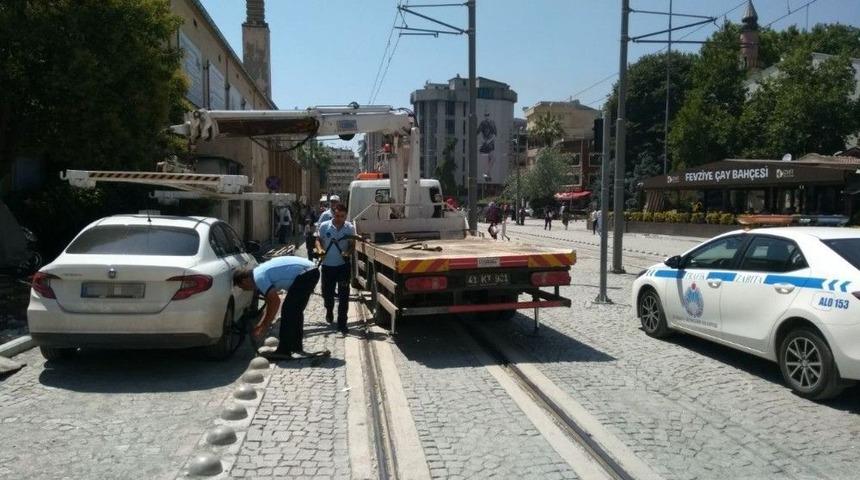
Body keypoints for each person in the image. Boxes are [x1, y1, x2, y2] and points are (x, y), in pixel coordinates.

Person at [234, 256, 321, 360]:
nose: (244, 290)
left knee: (288, 311)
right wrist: (262, 323)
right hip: (310, 271)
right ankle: (296, 347)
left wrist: (264, 325)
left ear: (244, 280)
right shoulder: (259, 271)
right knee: (295, 312)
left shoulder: (259, 278)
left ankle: (284, 351)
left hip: (305, 274)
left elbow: (275, 301)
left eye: (242, 287)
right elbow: (270, 302)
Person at [316, 203, 355, 335]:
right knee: (328, 294)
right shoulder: (324, 226)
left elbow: (352, 244)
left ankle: (342, 323)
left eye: (342, 216)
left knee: (344, 296)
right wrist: (320, 249)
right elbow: (318, 240)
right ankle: (329, 309)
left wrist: (348, 252)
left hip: (343, 267)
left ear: (345, 216)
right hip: (327, 266)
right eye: (337, 215)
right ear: (334, 214)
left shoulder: (349, 228)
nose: (339, 218)